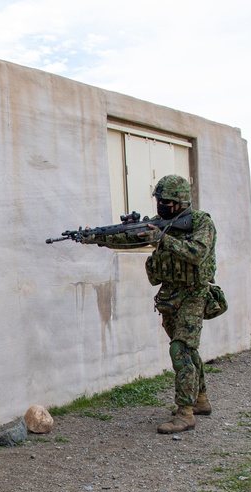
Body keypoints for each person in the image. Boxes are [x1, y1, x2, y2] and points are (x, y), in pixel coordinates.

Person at [84, 174, 217, 434]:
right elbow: (128, 239)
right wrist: (97, 237)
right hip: (170, 295)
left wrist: (162, 239)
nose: (161, 205)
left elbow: (198, 252)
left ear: (181, 202)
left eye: (166, 201)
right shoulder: (161, 223)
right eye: (159, 200)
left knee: (181, 350)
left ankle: (185, 413)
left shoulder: (201, 222)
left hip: (194, 293)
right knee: (187, 350)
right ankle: (200, 400)